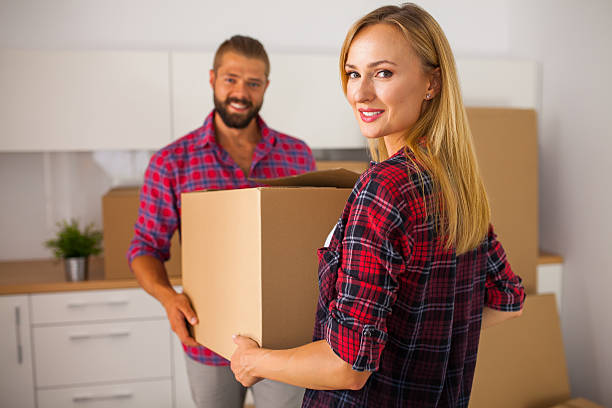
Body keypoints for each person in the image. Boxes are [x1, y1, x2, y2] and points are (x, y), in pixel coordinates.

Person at [230, 4, 525, 407]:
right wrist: (415, 337)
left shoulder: (383, 188)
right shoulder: (457, 186)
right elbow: (508, 300)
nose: (360, 92)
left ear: (431, 83)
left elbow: (347, 368)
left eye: (383, 72)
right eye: (354, 74)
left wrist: (254, 361)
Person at [128, 35, 315, 408]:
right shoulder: (171, 162)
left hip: (284, 340)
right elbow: (145, 247)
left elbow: (313, 241)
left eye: (253, 82)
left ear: (266, 87)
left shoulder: (297, 155)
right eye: (231, 79)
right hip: (209, 339)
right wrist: (168, 298)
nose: (241, 92)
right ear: (212, 78)